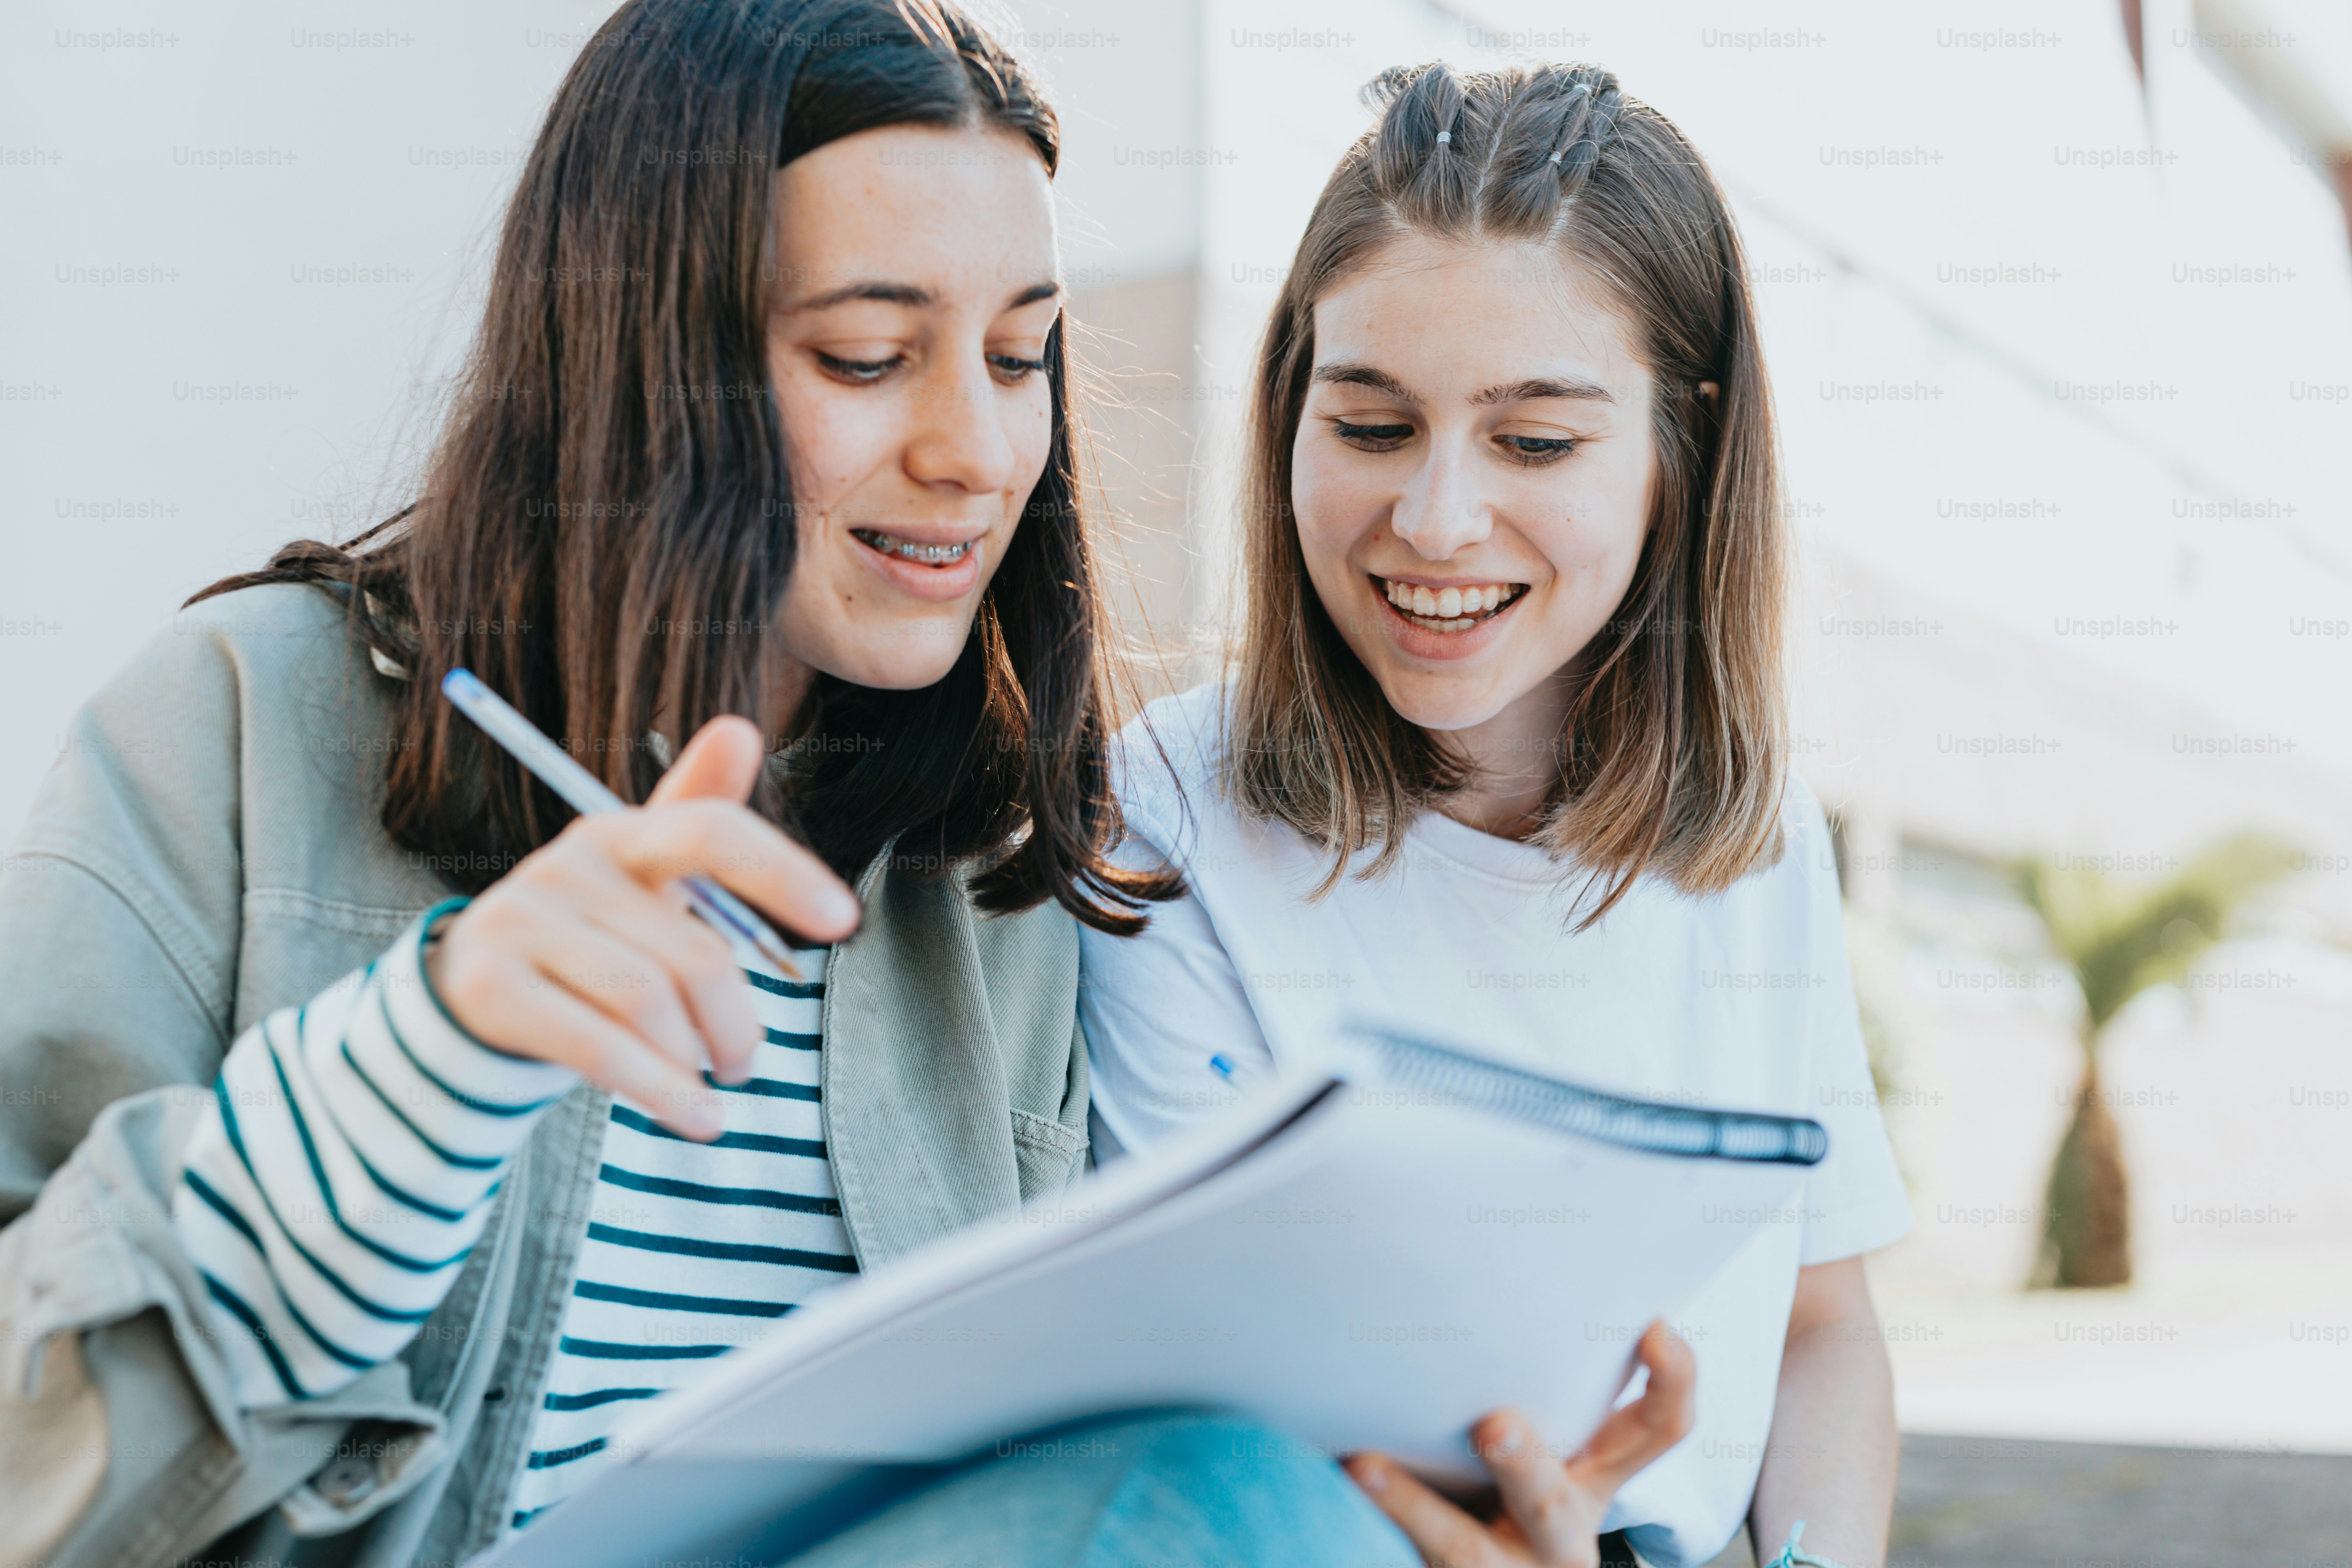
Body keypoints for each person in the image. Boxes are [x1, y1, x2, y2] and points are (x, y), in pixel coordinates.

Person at [0, 6, 1415, 1567]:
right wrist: (408, 1082)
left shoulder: (993, 874)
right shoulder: (239, 724)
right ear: (640, 360)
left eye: (1022, 357)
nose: (979, 448)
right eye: (870, 356)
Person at [1080, 63, 1913, 1568]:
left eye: (1536, 442)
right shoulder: (1171, 814)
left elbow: (1824, 1326)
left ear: (1684, 452)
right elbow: (1216, 1403)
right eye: (1374, 426)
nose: (1439, 520)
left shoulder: (1760, 834)